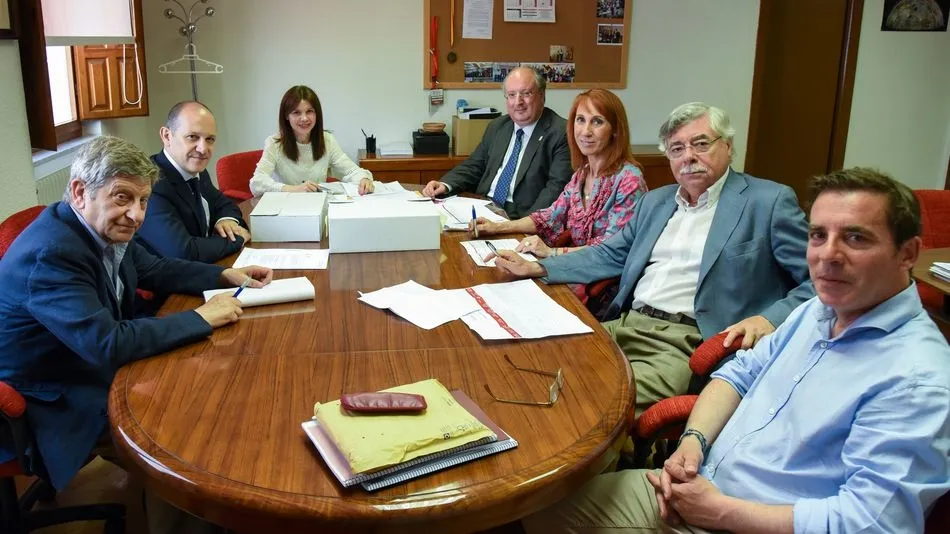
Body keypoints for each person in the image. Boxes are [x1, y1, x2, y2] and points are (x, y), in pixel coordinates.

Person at [521, 167, 950, 534]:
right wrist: (693, 442)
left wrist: (720, 511)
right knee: (534, 504)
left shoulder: (916, 378)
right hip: (700, 483)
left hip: (741, 519)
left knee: (534, 514)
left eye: (855, 238)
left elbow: (873, 523)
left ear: (907, 253)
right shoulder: (818, 311)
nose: (827, 256)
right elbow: (736, 375)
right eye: (819, 235)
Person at [492, 102, 814, 415]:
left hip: (685, 342)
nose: (689, 156)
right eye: (677, 149)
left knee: (591, 403)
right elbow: (609, 253)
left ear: (727, 146)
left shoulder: (768, 202)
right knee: (534, 366)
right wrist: (538, 267)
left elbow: (818, 283)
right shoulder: (656, 202)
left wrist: (769, 319)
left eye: (701, 144)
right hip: (624, 324)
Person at [0, 135, 272, 495]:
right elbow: (108, 343)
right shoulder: (53, 254)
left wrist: (223, 275)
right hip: (54, 394)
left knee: (204, 389)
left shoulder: (97, 226)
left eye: (144, 200)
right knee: (180, 440)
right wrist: (201, 317)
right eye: (122, 197)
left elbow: (155, 269)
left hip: (83, 359)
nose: (137, 215)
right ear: (80, 192)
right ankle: (186, 510)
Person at [472, 88, 646, 260]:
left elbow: (611, 248)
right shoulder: (582, 174)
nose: (586, 131)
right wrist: (497, 227)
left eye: (597, 122)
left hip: (605, 274)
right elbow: (549, 217)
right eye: (580, 120)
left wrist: (551, 253)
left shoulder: (629, 180)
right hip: (574, 265)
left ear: (615, 130)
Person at [422, 67, 573, 218]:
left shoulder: (561, 133)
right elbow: (475, 164)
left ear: (542, 95)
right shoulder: (498, 126)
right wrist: (445, 184)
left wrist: (526, 224)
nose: (518, 102)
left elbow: (555, 189)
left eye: (526, 93)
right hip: (483, 205)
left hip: (520, 215)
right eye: (512, 95)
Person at [136, 101, 251, 263]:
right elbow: (183, 251)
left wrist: (226, 220)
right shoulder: (150, 183)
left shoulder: (196, 171)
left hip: (203, 268)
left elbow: (224, 204)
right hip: (168, 276)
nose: (203, 149)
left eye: (210, 139)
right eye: (192, 137)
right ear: (167, 136)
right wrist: (238, 239)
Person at [249, 85, 375, 196]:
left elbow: (351, 171)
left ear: (317, 114)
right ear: (287, 116)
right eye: (296, 112)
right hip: (285, 207)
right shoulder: (274, 143)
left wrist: (364, 179)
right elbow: (257, 183)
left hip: (318, 205)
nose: (304, 118)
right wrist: (295, 189)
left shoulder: (327, 140)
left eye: (309, 111)